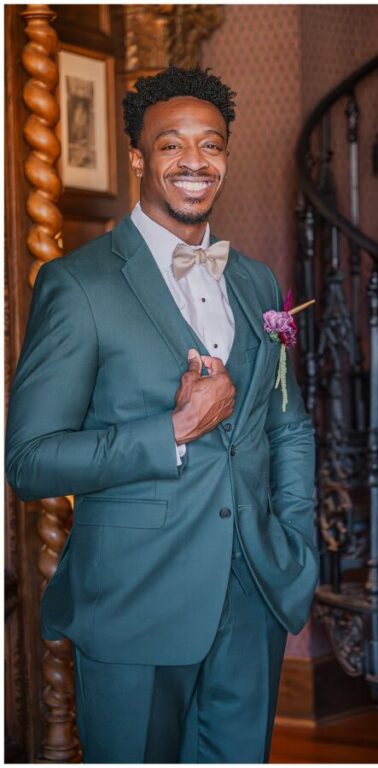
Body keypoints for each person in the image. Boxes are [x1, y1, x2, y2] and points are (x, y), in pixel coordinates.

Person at [6, 67, 318, 763]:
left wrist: (296, 540)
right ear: (140, 160)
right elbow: (28, 461)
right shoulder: (78, 285)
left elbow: (287, 421)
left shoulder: (256, 281)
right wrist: (173, 431)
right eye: (172, 146)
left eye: (211, 145)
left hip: (252, 596)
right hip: (134, 601)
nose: (194, 162)